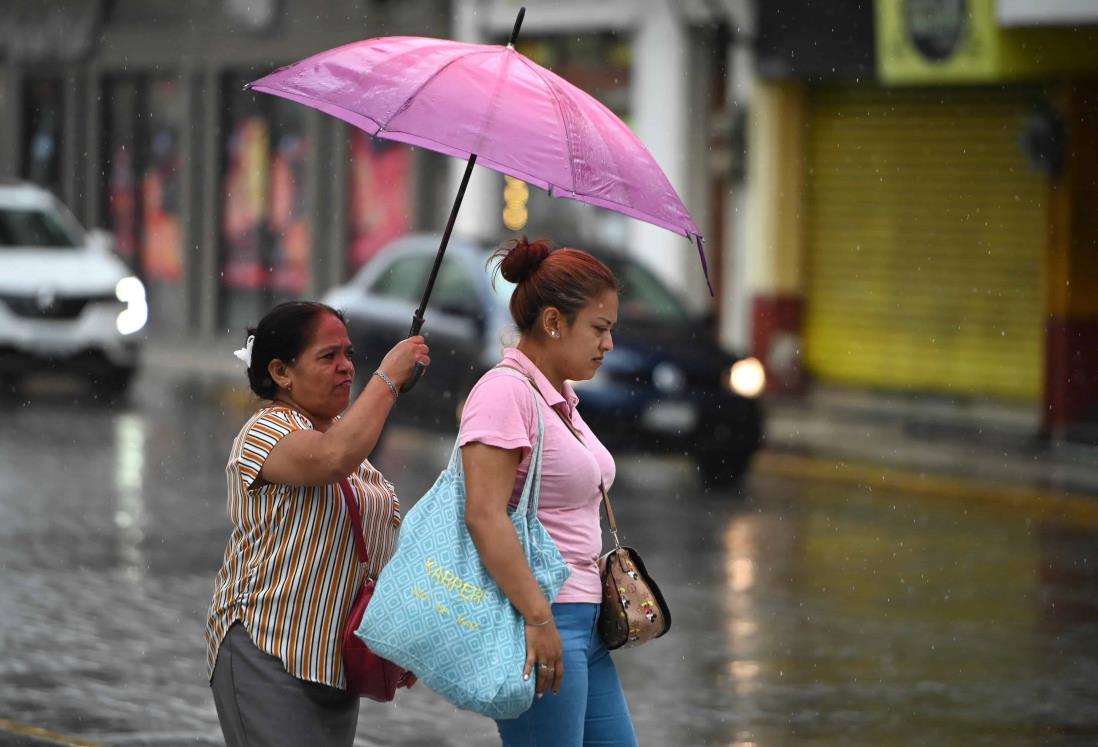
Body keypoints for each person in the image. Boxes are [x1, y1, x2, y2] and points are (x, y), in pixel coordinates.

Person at [204, 300, 430, 747]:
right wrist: (387, 377)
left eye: (348, 355)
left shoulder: (343, 431)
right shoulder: (266, 430)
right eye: (328, 357)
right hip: (268, 651)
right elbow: (331, 460)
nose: (345, 367)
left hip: (333, 663)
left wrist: (395, 636)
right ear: (281, 372)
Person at [459, 238, 639, 746]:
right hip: (540, 621)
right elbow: (483, 515)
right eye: (599, 330)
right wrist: (537, 619)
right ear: (555, 321)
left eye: (611, 331)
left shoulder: (559, 397)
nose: (608, 345)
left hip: (584, 622)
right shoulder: (504, 393)